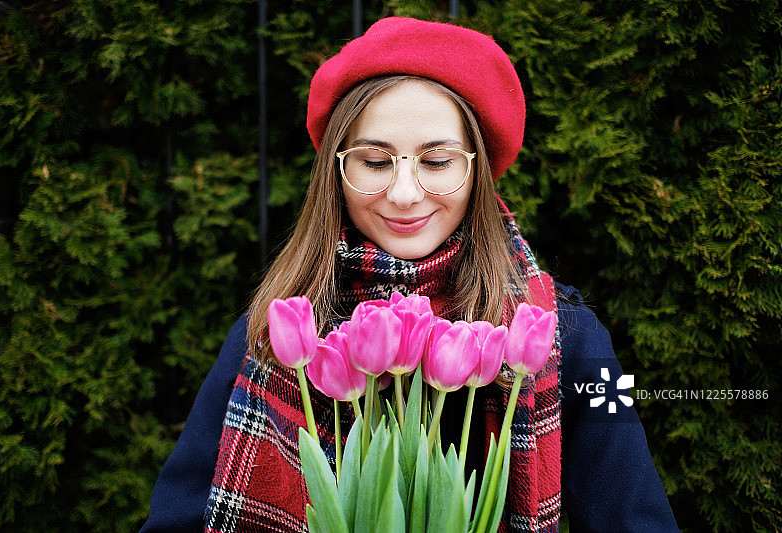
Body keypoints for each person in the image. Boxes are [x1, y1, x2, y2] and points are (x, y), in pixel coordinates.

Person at [140, 17, 678, 533]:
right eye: (375, 162)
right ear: (338, 171)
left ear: (477, 169)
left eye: (437, 161)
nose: (403, 193)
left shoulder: (571, 338)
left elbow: (637, 520)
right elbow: (174, 523)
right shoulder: (274, 336)